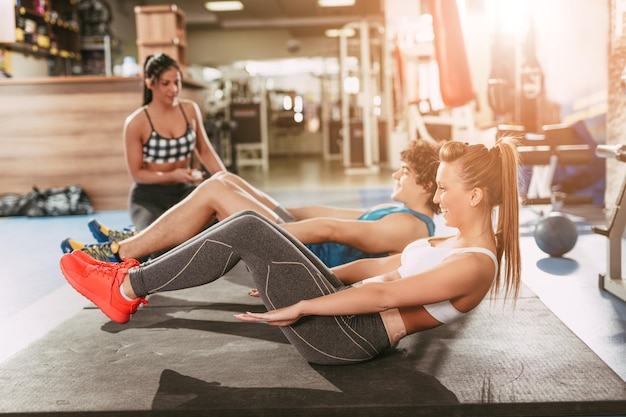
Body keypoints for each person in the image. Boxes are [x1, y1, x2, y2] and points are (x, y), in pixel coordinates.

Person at [59, 138, 522, 366]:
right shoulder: (452, 242)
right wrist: (306, 274)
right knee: (253, 226)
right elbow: (381, 268)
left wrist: (303, 302)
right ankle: (128, 279)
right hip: (347, 319)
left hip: (349, 338)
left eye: (444, 189)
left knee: (247, 227)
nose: (438, 199)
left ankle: (124, 285)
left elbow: (384, 298)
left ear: (477, 195)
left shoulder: (475, 265)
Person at [61, 139, 441, 268]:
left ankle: (121, 251)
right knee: (225, 181)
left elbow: (330, 231)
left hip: (306, 254)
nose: (396, 175)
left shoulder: (411, 227)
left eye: (404, 171)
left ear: (426, 184)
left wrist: (254, 222)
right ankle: (143, 239)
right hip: (304, 236)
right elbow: (330, 215)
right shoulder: (402, 215)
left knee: (216, 193)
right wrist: (271, 207)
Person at [124, 53, 226, 231]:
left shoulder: (189, 109)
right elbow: (137, 174)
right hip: (148, 196)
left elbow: (204, 151)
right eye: (166, 83)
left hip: (183, 191)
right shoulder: (136, 122)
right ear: (150, 84)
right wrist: (173, 175)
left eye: (176, 82)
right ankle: (127, 239)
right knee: (160, 245)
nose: (174, 89)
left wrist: (225, 180)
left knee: (220, 226)